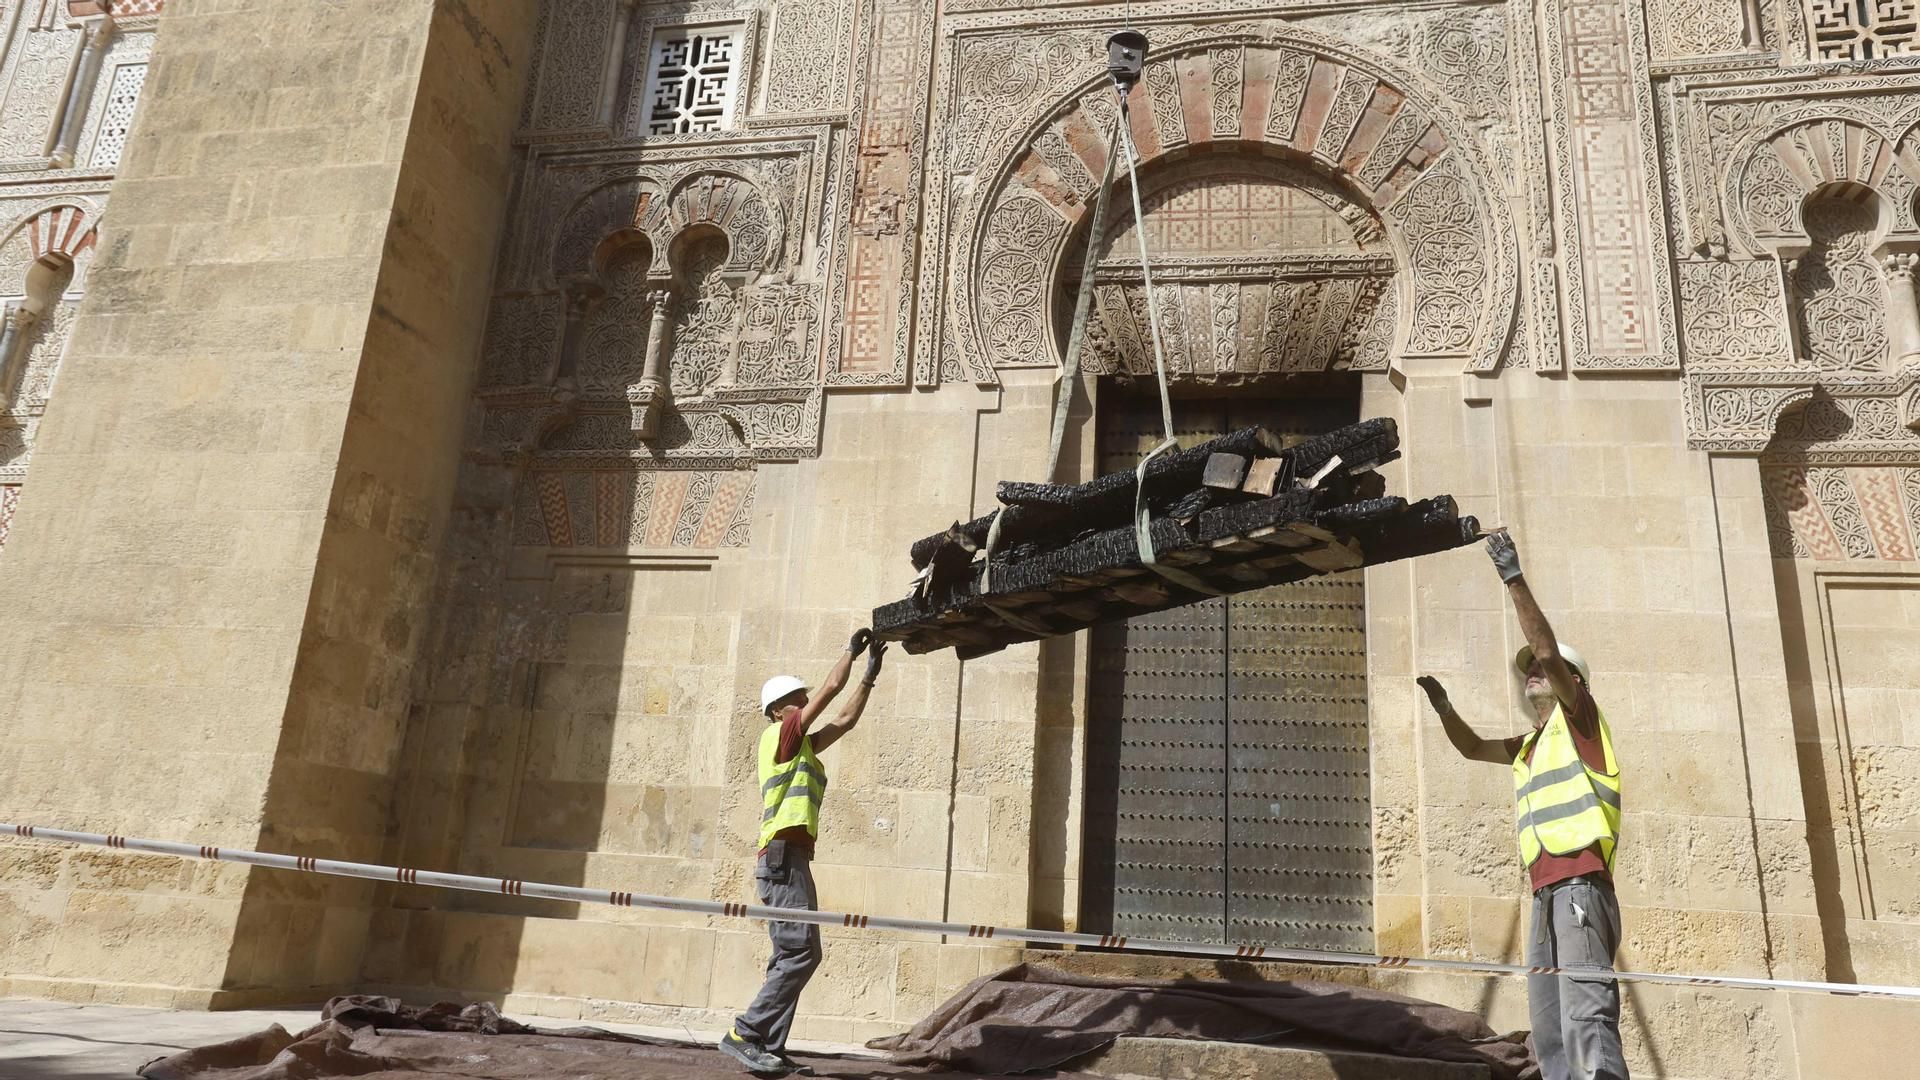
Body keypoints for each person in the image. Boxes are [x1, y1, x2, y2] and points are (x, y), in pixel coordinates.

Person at [1417, 533, 1628, 1080]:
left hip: (1580, 883)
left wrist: (1513, 578)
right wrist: (1445, 709)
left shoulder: (1580, 721)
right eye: (1527, 670)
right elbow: (1471, 748)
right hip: (1544, 890)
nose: (1532, 671)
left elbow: (1548, 652)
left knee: (1586, 1014)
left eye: (1540, 670)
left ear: (1572, 683)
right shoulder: (1530, 745)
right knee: (1549, 1026)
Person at [719, 628, 886, 1077]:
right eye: (797, 700)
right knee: (801, 954)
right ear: (778, 710)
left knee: (791, 954)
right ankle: (745, 1033)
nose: (805, 703)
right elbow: (830, 690)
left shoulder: (801, 746)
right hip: (781, 857)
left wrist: (868, 678)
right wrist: (851, 653)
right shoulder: (781, 735)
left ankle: (768, 1046)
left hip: (790, 859)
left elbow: (844, 720)